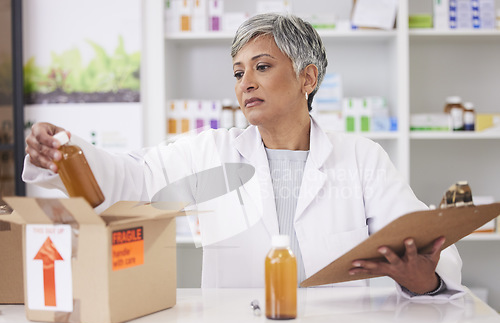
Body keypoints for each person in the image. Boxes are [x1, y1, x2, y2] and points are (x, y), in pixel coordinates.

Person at [23, 13, 464, 298]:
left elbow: (423, 242)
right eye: (238, 72)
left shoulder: (361, 159)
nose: (245, 83)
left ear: (307, 77)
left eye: (262, 66)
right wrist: (65, 152)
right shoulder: (210, 151)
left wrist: (425, 281)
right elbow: (132, 180)